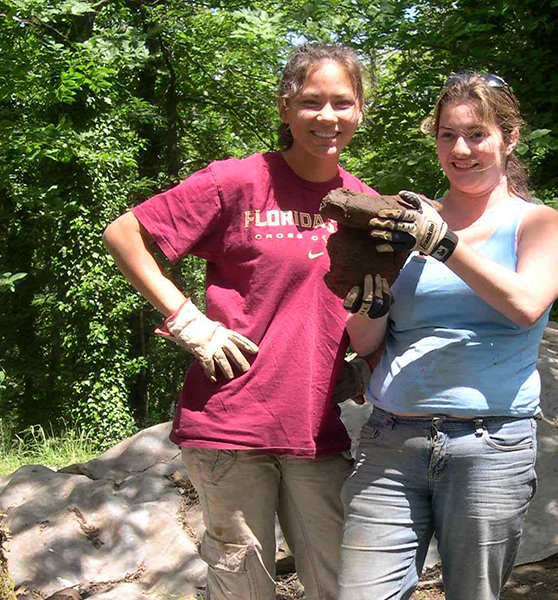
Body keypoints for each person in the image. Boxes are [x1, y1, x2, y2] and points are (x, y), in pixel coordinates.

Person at [102, 43, 375, 600]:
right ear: (285, 107)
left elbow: (374, 305)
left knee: (343, 585)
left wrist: (365, 360)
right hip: (230, 419)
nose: (328, 117)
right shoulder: (239, 182)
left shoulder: (363, 204)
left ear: (360, 111)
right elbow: (124, 233)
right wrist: (187, 321)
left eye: (342, 103)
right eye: (311, 102)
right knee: (243, 587)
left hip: (315, 426)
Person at [337, 71, 558, 600]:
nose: (461, 149)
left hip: (489, 446)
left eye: (477, 134)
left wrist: (444, 245)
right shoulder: (410, 223)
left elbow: (524, 306)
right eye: (448, 135)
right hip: (390, 440)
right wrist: (368, 307)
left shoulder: (536, 224)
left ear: (509, 138)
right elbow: (368, 342)